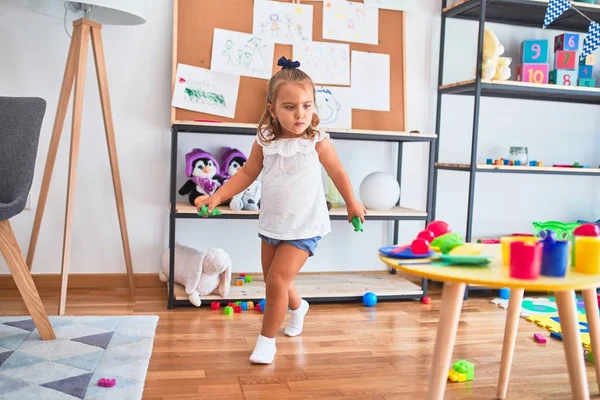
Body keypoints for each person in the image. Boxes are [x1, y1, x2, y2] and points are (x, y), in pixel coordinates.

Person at [196, 56, 366, 364]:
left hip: (306, 225)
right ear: (272, 109)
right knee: (277, 281)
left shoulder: (317, 140)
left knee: (276, 282)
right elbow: (247, 173)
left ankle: (266, 342)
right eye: (289, 107)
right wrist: (217, 196)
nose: (300, 113)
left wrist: (352, 202)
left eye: (306, 105)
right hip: (272, 224)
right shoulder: (266, 140)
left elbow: (338, 172)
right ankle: (299, 308)